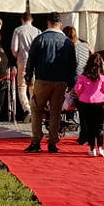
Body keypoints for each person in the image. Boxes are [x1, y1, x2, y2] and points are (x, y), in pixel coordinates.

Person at [23, 12, 77, 153]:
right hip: (61, 81)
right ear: (60, 24)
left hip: (42, 79)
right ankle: (53, 143)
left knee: (37, 110)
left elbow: (31, 60)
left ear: (48, 23)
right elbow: (73, 64)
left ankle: (36, 142)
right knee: (55, 112)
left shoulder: (40, 39)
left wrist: (28, 77)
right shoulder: (67, 42)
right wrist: (71, 82)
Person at [73, 52, 104, 156]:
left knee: (89, 127)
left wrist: (82, 93)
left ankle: (92, 148)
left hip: (85, 103)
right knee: (99, 127)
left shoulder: (82, 77)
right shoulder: (103, 78)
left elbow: (77, 89)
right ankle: (101, 148)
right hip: (99, 103)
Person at [62, 25, 92, 144]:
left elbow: (72, 67)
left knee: (81, 110)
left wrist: (69, 84)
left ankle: (84, 136)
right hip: (88, 80)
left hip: (77, 82)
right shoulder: (85, 45)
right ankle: (86, 134)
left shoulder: (69, 48)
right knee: (86, 110)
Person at [10, 11, 40, 121]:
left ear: (22, 19)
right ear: (32, 20)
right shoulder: (38, 31)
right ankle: (35, 109)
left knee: (22, 86)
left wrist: (17, 55)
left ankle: (27, 109)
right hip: (35, 61)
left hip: (23, 59)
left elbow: (14, 48)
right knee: (33, 87)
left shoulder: (18, 30)